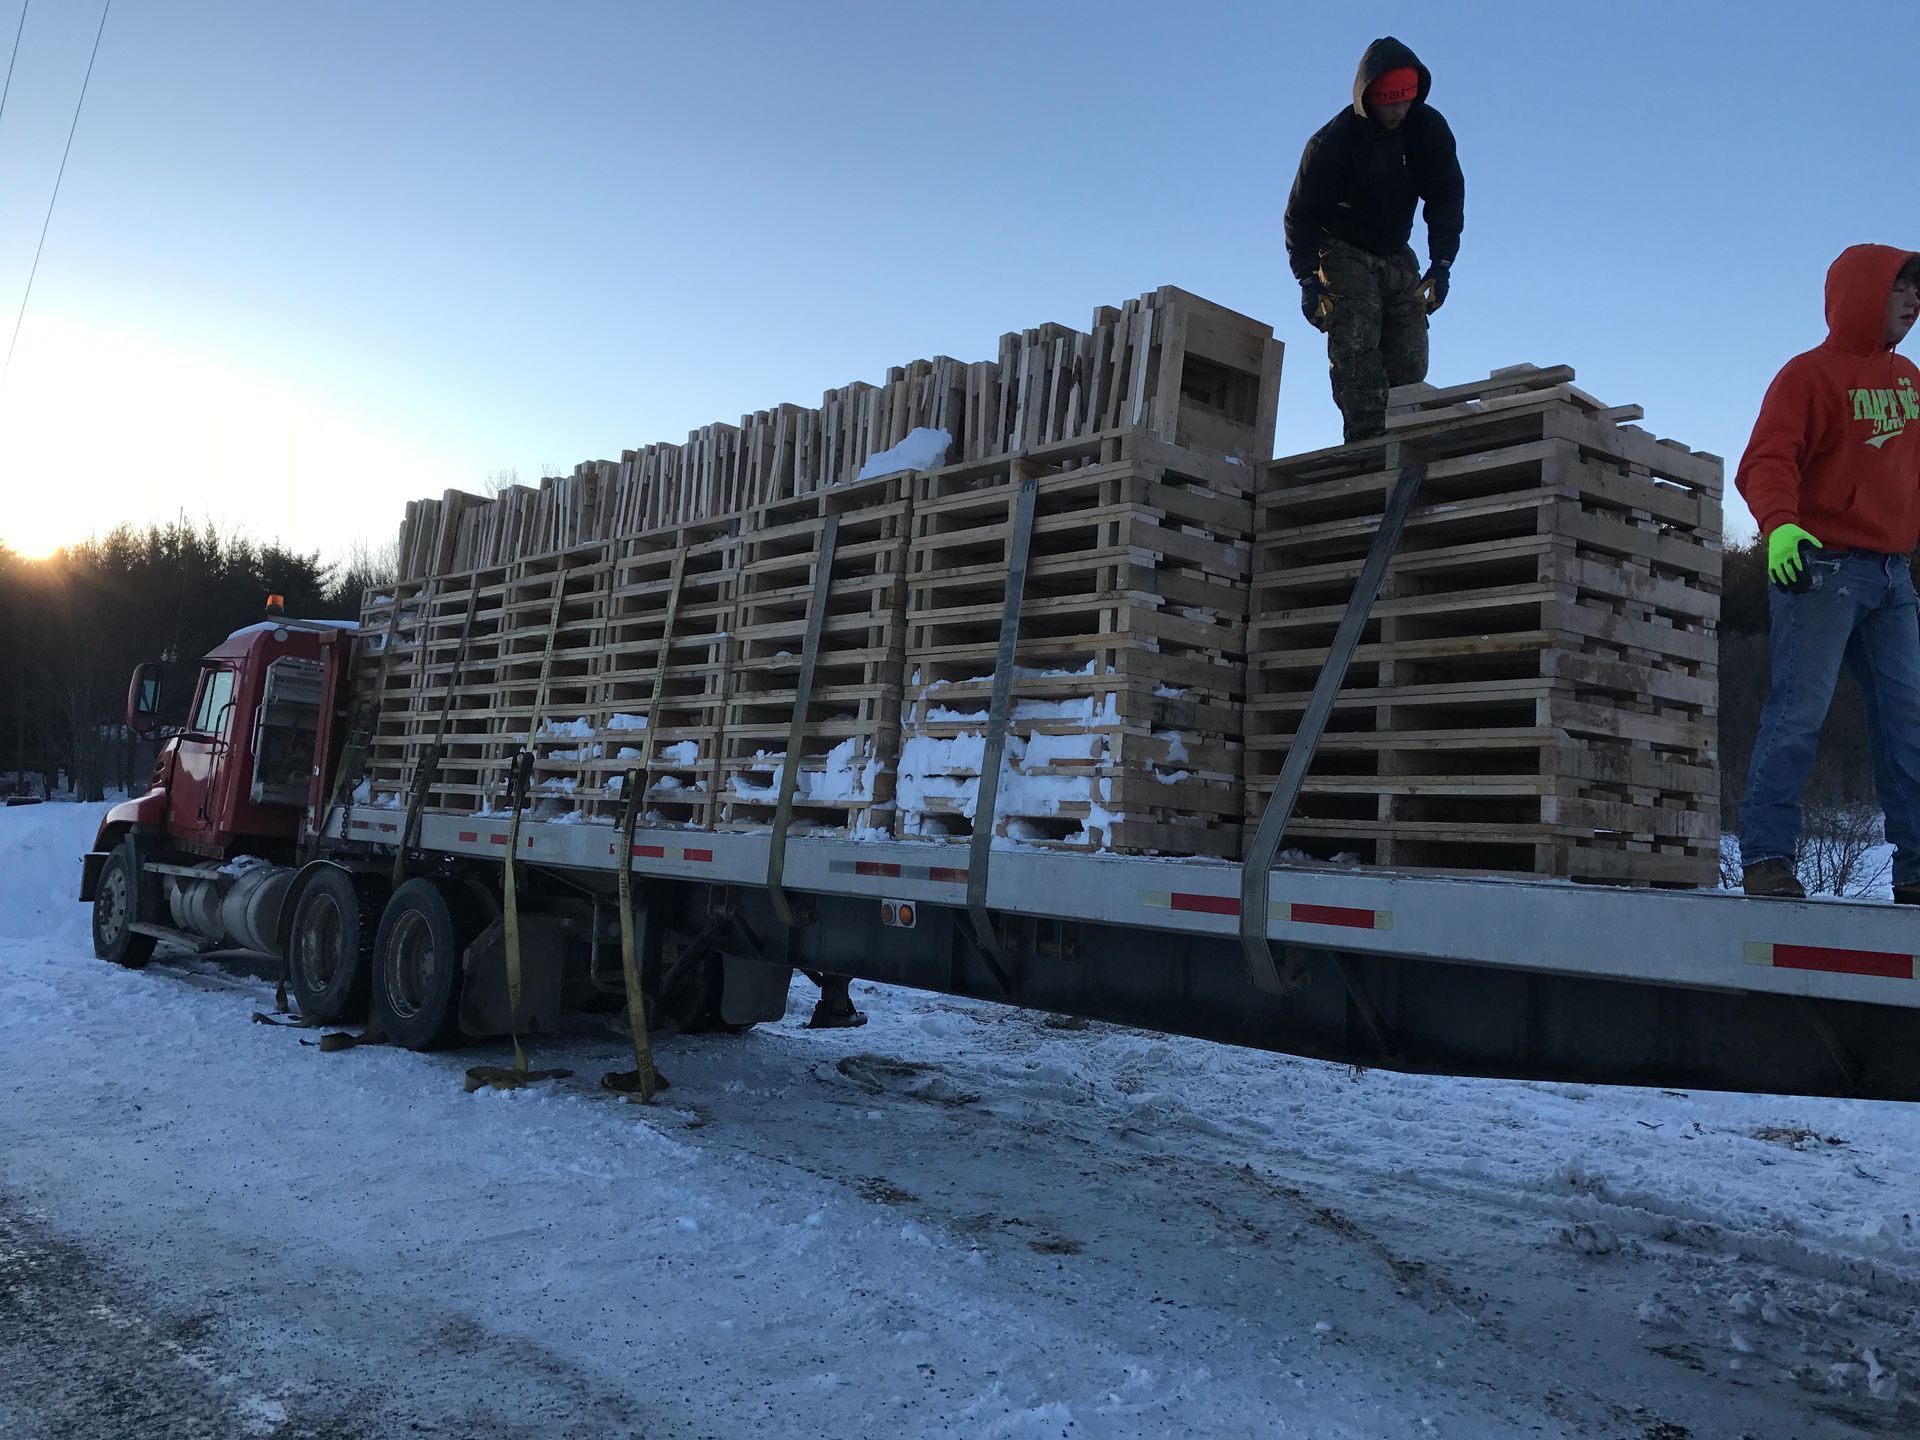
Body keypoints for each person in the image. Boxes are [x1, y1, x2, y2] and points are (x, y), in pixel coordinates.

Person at [1737, 244, 1920, 899]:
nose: (1912, 300)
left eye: (1916, 291)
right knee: (1797, 716)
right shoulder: (1808, 375)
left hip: (1894, 579)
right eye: (1900, 288)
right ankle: (1764, 858)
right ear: (1863, 293)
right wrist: (1780, 524)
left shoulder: (1910, 381)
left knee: (1909, 721)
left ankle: (1916, 868)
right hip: (1820, 572)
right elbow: (1767, 460)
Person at [1284, 36, 1465, 444]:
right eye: (1389, 101)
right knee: (1356, 344)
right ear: (1369, 97)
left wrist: (1442, 263)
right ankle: (1365, 446)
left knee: (1409, 353)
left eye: (1406, 100)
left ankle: (1403, 442)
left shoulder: (1426, 130)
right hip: (1343, 248)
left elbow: (1446, 196)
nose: (1399, 110)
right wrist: (1309, 281)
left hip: (1397, 251)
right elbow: (1301, 215)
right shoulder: (1332, 144)